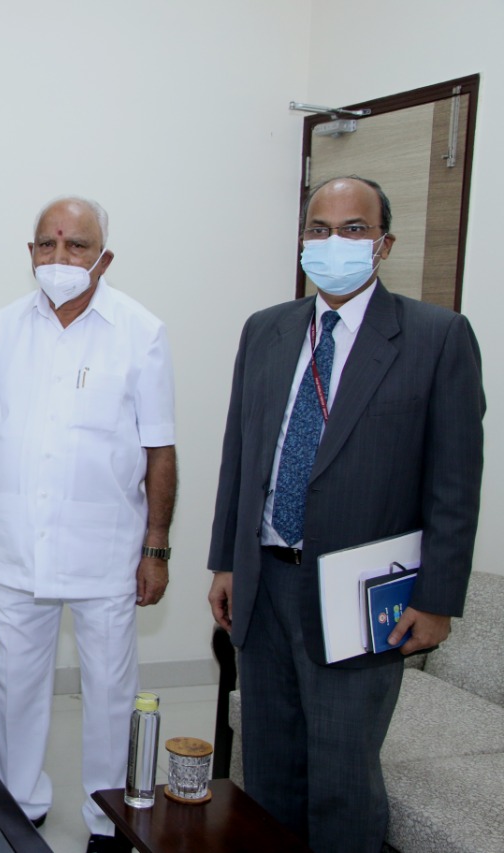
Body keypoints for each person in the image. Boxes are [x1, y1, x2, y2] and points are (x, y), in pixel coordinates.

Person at [206, 176, 485, 852]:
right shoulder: (267, 329)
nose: (334, 243)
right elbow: (241, 453)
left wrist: (438, 597)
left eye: (353, 229)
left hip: (360, 593)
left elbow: (455, 480)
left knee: (342, 775)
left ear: (384, 243)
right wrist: (224, 559)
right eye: (319, 228)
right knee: (269, 767)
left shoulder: (436, 337)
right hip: (264, 581)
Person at [0, 196, 176, 852]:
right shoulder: (4, 326)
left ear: (103, 258)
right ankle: (19, 802)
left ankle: (113, 818)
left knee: (110, 692)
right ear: (30, 253)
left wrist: (156, 546)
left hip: (107, 550)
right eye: (47, 245)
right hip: (20, 544)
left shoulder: (141, 331)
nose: (60, 258)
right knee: (15, 685)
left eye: (76, 246)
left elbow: (160, 449)